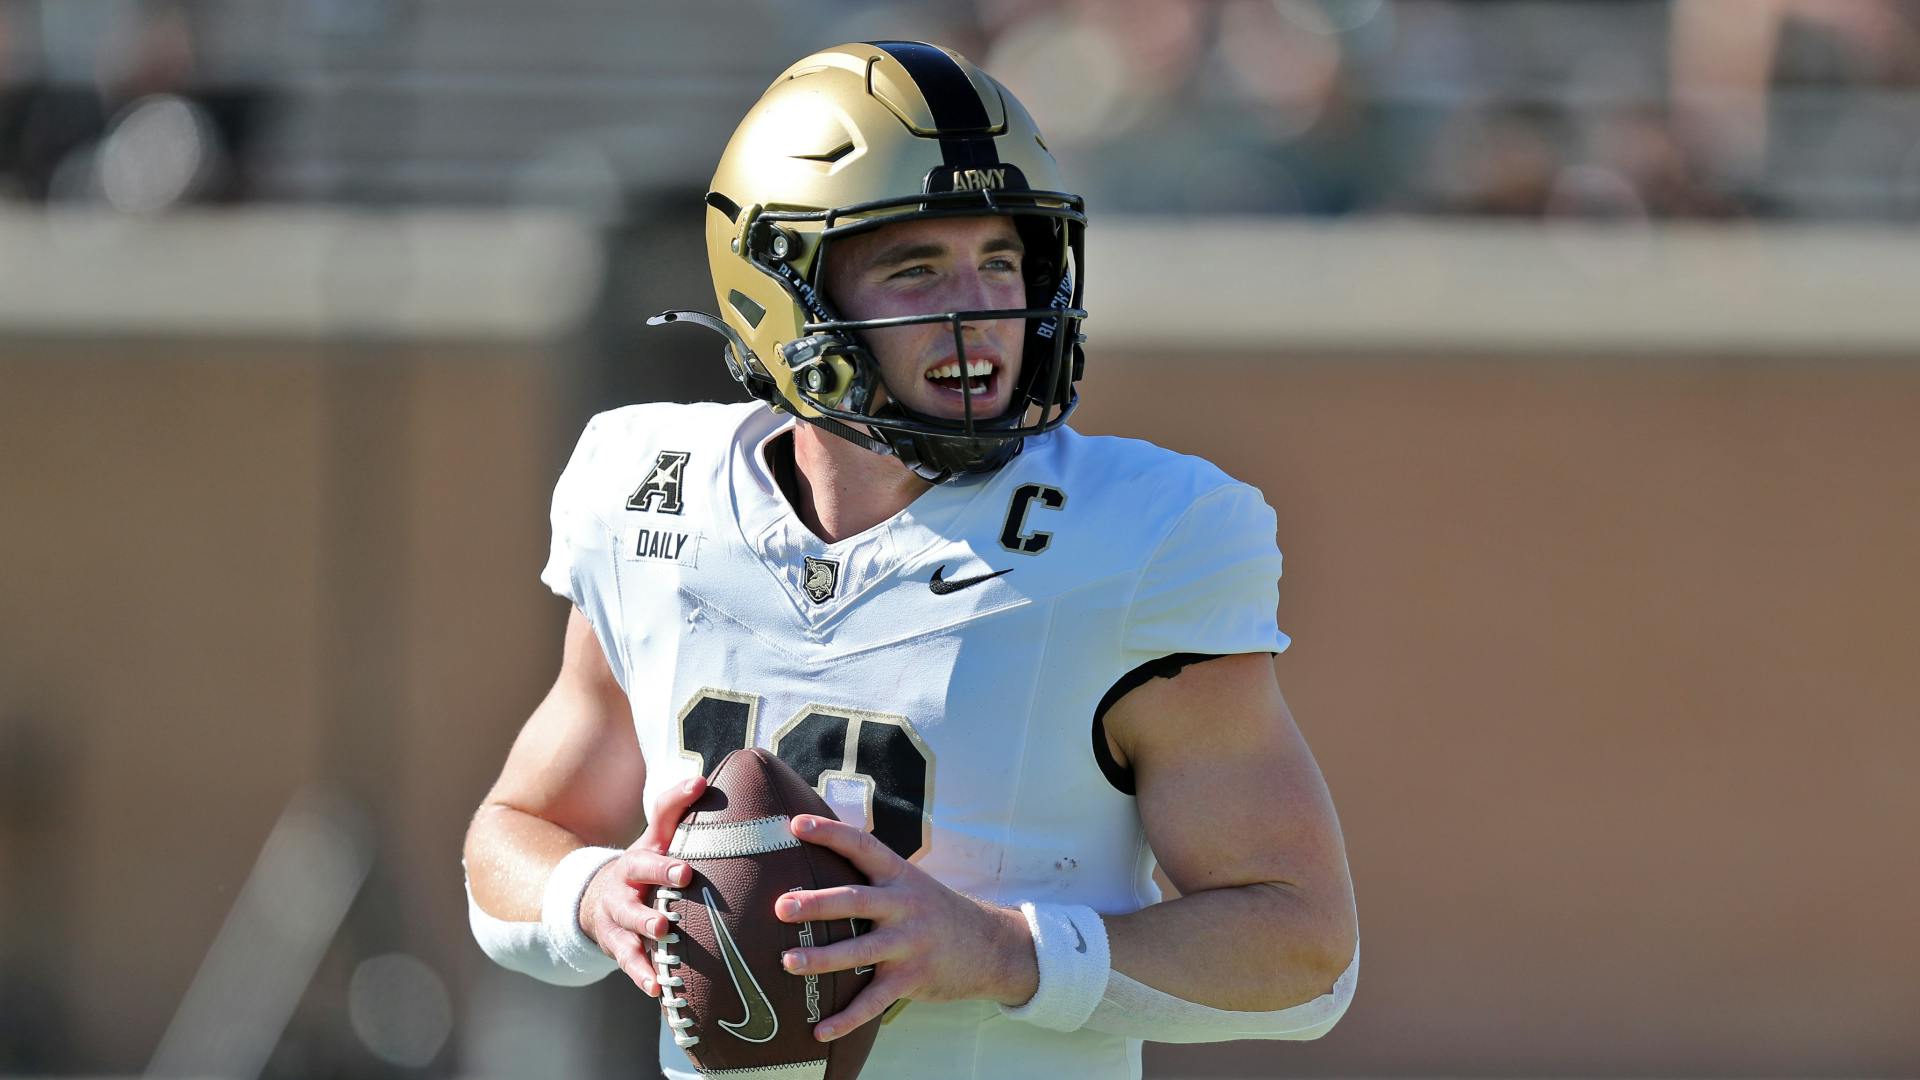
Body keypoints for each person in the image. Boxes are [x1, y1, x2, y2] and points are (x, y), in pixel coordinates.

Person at [463, 40, 1358, 1080]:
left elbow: (1303, 950)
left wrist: (1000, 951)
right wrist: (592, 895)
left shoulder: (1141, 538)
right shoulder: (650, 498)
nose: (981, 306)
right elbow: (515, 832)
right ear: (784, 291)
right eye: (916, 267)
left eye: (1003, 259)